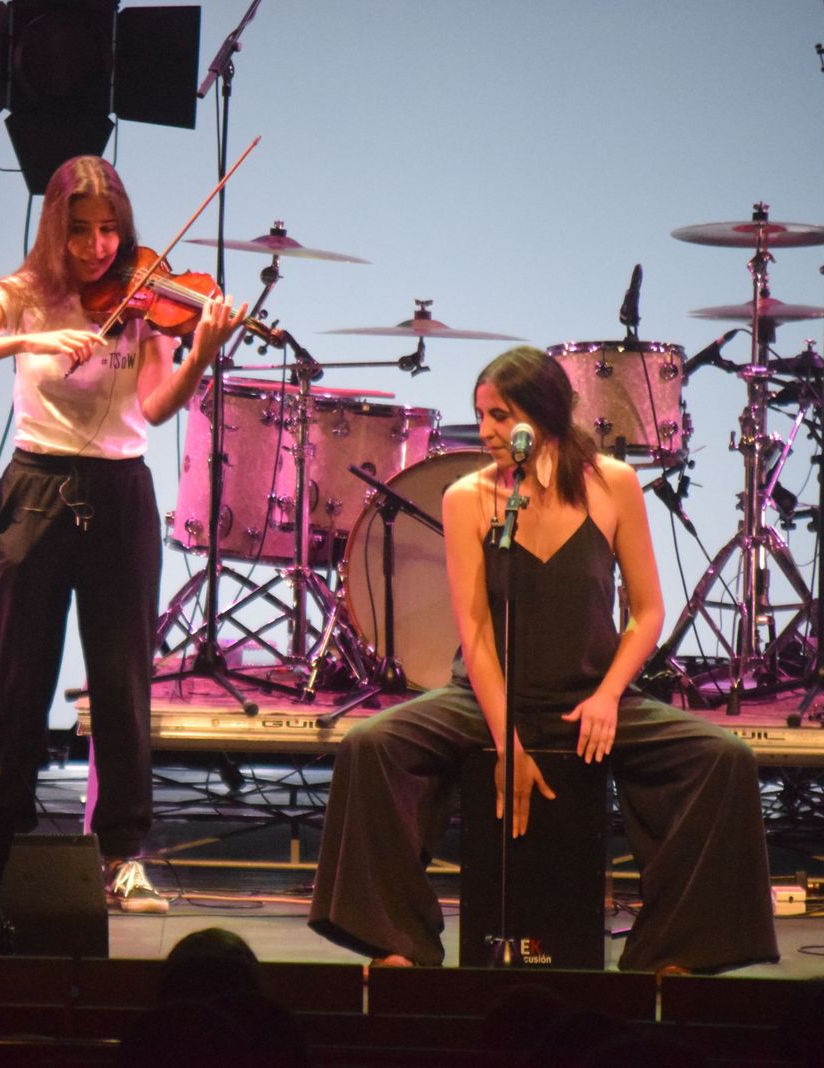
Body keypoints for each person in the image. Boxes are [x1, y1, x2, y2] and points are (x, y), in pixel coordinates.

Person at [308, 345, 779, 973]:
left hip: (590, 692)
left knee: (725, 761)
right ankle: (404, 945)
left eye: (500, 416)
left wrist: (611, 694)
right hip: (486, 699)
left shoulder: (613, 483)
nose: (487, 432)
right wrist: (507, 740)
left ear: (543, 413)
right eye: (481, 416)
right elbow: (474, 629)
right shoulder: (468, 497)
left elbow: (647, 613)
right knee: (371, 746)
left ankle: (669, 952)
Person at [0, 155, 244, 912]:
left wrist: (199, 352)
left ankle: (123, 853)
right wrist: (23, 343)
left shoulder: (146, 290)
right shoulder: (22, 294)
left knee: (122, 681)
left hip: (121, 490)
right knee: (18, 677)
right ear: (54, 230)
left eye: (110, 231)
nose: (100, 248)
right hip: (36, 489)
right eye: (81, 233)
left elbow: (159, 407)